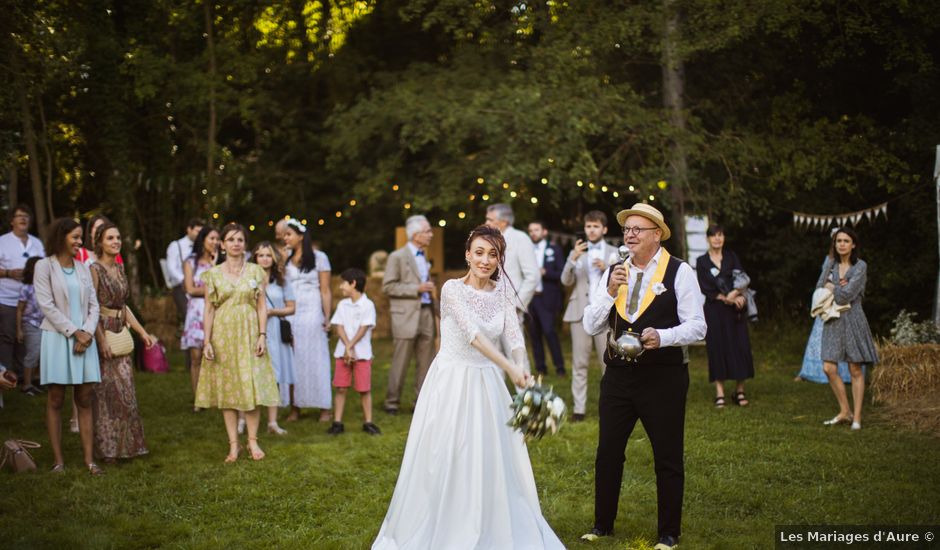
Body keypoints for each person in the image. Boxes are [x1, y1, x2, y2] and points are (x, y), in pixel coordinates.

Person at [372, 225, 563, 549]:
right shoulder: (451, 290)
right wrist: (510, 369)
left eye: (493, 254)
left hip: (488, 384)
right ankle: (445, 522)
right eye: (479, 252)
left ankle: (489, 520)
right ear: (467, 254)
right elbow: (474, 336)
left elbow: (513, 335)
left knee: (491, 456)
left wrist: (523, 371)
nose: (485, 260)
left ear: (500, 258)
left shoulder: (502, 291)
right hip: (452, 381)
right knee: (447, 452)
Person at [580, 203, 706, 549]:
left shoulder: (679, 272)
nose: (630, 235)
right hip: (618, 376)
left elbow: (698, 326)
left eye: (638, 229)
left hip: (663, 378)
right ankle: (602, 526)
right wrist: (608, 292)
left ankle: (668, 533)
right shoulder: (612, 273)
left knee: (667, 456)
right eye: (627, 230)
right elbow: (590, 324)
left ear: (657, 235)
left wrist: (663, 337)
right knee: (607, 453)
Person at [196, 223, 280, 462]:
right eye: (231, 239)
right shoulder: (212, 274)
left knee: (251, 387)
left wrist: (262, 335)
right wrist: (207, 341)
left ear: (245, 244)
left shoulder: (256, 271)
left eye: (240, 240)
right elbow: (209, 310)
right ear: (222, 244)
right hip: (223, 336)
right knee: (228, 389)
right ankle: (234, 444)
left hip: (250, 334)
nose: (235, 244)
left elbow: (262, 305)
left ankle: (253, 441)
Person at [33, 218, 102, 475]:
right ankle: (58, 461)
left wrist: (86, 331)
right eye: (75, 237)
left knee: (84, 398)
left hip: (85, 339)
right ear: (61, 237)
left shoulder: (84, 268)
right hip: (58, 338)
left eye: (80, 237)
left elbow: (94, 304)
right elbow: (46, 305)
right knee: (56, 398)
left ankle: (89, 461)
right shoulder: (44, 267)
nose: (79, 242)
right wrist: (74, 332)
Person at [90, 222, 154, 463]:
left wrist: (142, 332)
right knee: (106, 394)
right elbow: (92, 307)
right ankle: (107, 451)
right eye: (110, 238)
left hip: (121, 331)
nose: (116, 241)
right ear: (100, 242)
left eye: (118, 237)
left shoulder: (119, 269)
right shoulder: (94, 270)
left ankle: (128, 446)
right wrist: (100, 340)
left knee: (126, 392)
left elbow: (124, 307)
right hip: (103, 332)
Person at [817, 227, 878, 430]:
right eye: (838, 241)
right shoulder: (831, 264)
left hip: (853, 318)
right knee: (828, 367)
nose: (841, 244)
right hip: (832, 318)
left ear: (853, 244)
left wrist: (833, 286)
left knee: (855, 368)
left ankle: (857, 417)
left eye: (846, 240)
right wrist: (836, 285)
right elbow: (818, 288)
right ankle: (845, 410)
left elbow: (848, 295)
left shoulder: (860, 266)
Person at [561, 210, 618, 422]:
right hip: (580, 313)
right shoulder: (577, 251)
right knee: (579, 362)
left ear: (604, 229)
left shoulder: (614, 252)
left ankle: (610, 407)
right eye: (588, 226)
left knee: (608, 364)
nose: (591, 230)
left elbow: (624, 282)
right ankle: (579, 409)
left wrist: (608, 269)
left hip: (605, 314)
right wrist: (571, 259)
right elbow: (565, 281)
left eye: (595, 226)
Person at [381, 214, 437, 415]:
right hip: (405, 315)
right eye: (427, 231)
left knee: (427, 362)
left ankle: (420, 402)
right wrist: (417, 288)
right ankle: (392, 402)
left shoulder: (426, 256)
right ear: (415, 234)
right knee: (400, 361)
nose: (431, 234)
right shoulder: (397, 257)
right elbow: (388, 287)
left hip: (426, 314)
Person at [695, 224, 754, 408]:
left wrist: (735, 294)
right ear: (708, 239)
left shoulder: (731, 257)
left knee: (740, 347)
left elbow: (742, 278)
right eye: (713, 236)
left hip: (735, 310)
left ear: (724, 238)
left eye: (720, 235)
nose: (717, 239)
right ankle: (719, 392)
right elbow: (705, 287)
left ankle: (740, 391)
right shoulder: (702, 261)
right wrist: (725, 298)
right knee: (717, 348)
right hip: (715, 310)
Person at [282, 218, 333, 422]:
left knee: (315, 359)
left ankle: (324, 407)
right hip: (290, 311)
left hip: (311, 310)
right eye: (285, 235)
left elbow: (326, 289)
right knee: (293, 360)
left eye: (288, 234)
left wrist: (327, 316)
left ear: (300, 236)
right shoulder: (285, 258)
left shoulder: (320, 258)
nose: (285, 238)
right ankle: (295, 407)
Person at [484, 203, 539, 375]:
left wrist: (516, 305)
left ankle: (527, 399)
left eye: (490, 219)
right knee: (492, 359)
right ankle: (497, 400)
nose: (485, 222)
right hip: (488, 307)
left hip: (510, 308)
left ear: (503, 222)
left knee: (517, 358)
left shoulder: (520, 238)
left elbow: (533, 275)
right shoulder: (488, 240)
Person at [328, 268, 380, 436]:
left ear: (353, 284)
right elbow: (339, 326)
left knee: (364, 389)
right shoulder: (343, 305)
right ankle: (337, 422)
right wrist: (347, 348)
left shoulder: (368, 305)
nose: (341, 287)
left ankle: (368, 422)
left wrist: (350, 347)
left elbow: (364, 328)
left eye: (343, 283)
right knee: (341, 388)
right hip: (342, 353)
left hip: (362, 354)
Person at [248, 241, 293, 435]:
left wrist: (273, 311)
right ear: (255, 258)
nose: (264, 259)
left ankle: (272, 422)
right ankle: (244, 420)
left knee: (273, 374)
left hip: (274, 328)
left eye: (268, 255)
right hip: (252, 329)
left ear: (273, 259)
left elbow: (292, 307)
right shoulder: (248, 279)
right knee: (250, 374)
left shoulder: (282, 281)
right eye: (260, 255)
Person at [0, 204, 45, 380]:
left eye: (26, 215)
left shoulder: (37, 242)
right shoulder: (2, 241)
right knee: (8, 338)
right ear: (12, 220)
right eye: (19, 215)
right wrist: (8, 273)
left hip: (34, 303)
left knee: (26, 342)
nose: (23, 218)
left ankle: (22, 377)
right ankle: (5, 375)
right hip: (7, 299)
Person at [181, 225, 218, 411]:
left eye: (217, 239)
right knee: (196, 357)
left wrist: (215, 264)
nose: (215, 242)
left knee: (216, 356)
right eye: (212, 238)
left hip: (217, 311)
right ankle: (198, 399)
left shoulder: (221, 262)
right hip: (196, 312)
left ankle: (215, 396)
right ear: (202, 239)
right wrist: (211, 290)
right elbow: (189, 289)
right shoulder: (191, 262)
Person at [526, 220, 566, 377]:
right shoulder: (526, 250)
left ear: (544, 232)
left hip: (547, 298)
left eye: (536, 229)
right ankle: (541, 368)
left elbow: (562, 274)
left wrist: (545, 272)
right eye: (530, 230)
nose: (533, 233)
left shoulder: (554, 249)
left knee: (549, 332)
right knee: (534, 335)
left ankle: (560, 367)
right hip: (530, 299)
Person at [165, 218, 205, 374]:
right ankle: (192, 362)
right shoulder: (176, 245)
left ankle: (198, 360)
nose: (199, 234)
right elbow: (171, 267)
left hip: (199, 288)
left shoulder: (202, 247)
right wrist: (186, 281)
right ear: (189, 229)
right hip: (181, 288)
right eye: (197, 230)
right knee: (190, 319)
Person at [16, 257, 43, 395]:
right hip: (30, 324)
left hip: (44, 324)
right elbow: (20, 309)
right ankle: (26, 385)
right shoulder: (26, 288)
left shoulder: (45, 286)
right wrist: (19, 330)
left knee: (41, 353)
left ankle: (34, 380)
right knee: (33, 353)